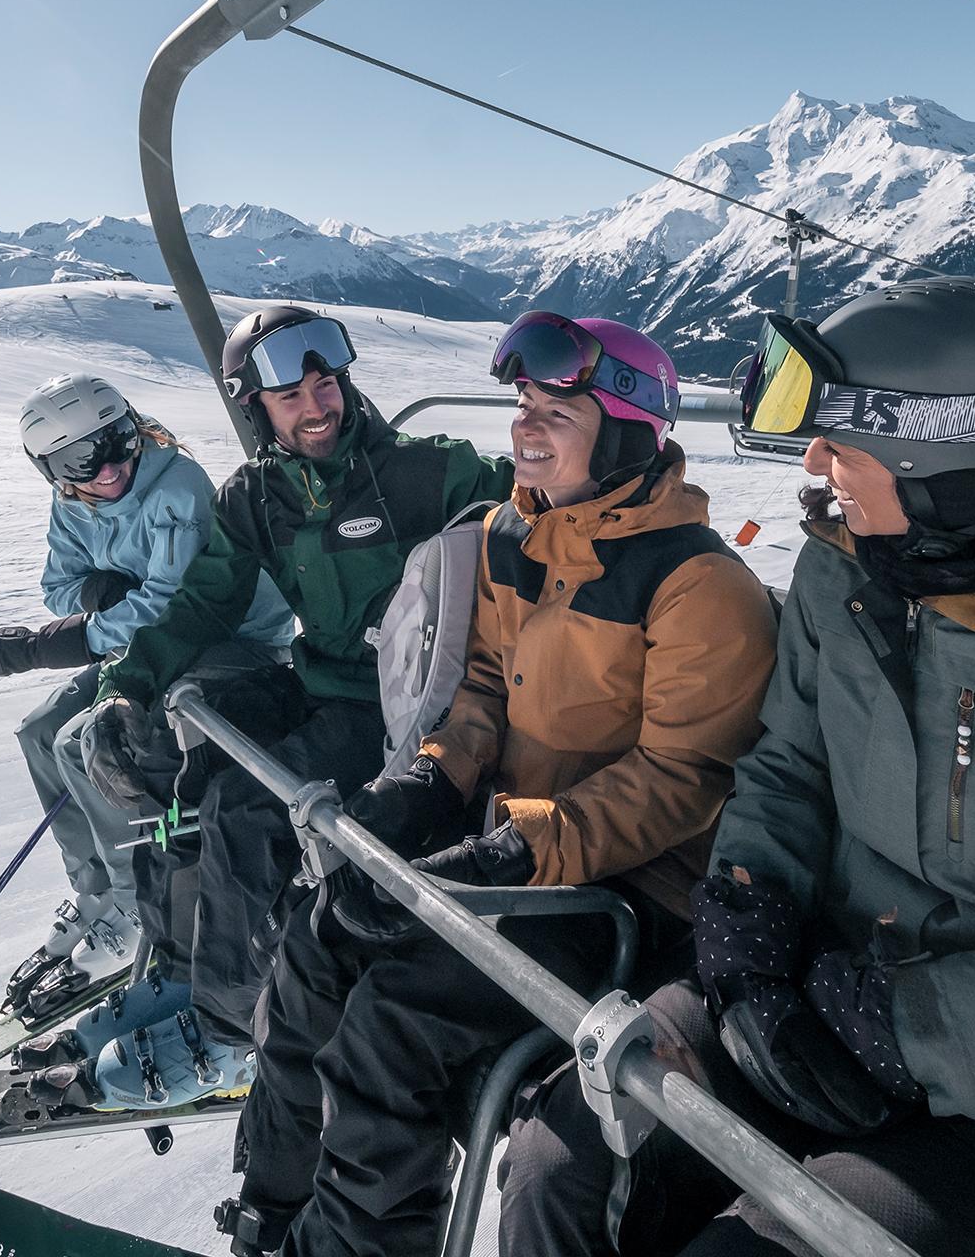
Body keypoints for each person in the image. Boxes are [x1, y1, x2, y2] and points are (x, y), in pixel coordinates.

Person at [498, 278, 975, 1257]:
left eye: (842, 440)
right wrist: (748, 911)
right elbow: (787, 767)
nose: (816, 469)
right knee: (565, 1155)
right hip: (834, 992)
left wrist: (902, 1030)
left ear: (951, 458)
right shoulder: (853, 571)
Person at [233, 313, 779, 1256]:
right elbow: (480, 691)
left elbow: (677, 782)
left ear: (626, 428)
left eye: (557, 409)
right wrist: (427, 786)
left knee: (396, 1017)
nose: (525, 427)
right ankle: (272, 1209)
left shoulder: (698, 587)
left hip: (626, 889)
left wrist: (514, 844)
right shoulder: (509, 536)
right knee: (318, 931)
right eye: (523, 402)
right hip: (513, 849)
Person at [68, 305, 514, 1108]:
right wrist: (122, 686)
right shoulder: (260, 494)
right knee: (182, 750)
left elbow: (537, 510)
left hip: (397, 703)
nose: (318, 406)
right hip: (322, 677)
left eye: (327, 383)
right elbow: (197, 604)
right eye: (292, 396)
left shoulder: (430, 470)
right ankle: (184, 964)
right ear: (258, 410)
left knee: (247, 799)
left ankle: (237, 1028)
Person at [0, 373, 294, 1019]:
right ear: (52, 470)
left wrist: (71, 629)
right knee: (41, 730)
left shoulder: (175, 485)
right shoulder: (73, 501)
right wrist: (102, 597)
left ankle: (138, 906)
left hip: (230, 640)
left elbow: (166, 607)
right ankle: (97, 889)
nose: (109, 468)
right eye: (82, 459)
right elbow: (60, 583)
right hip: (149, 642)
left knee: (88, 742)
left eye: (119, 440)